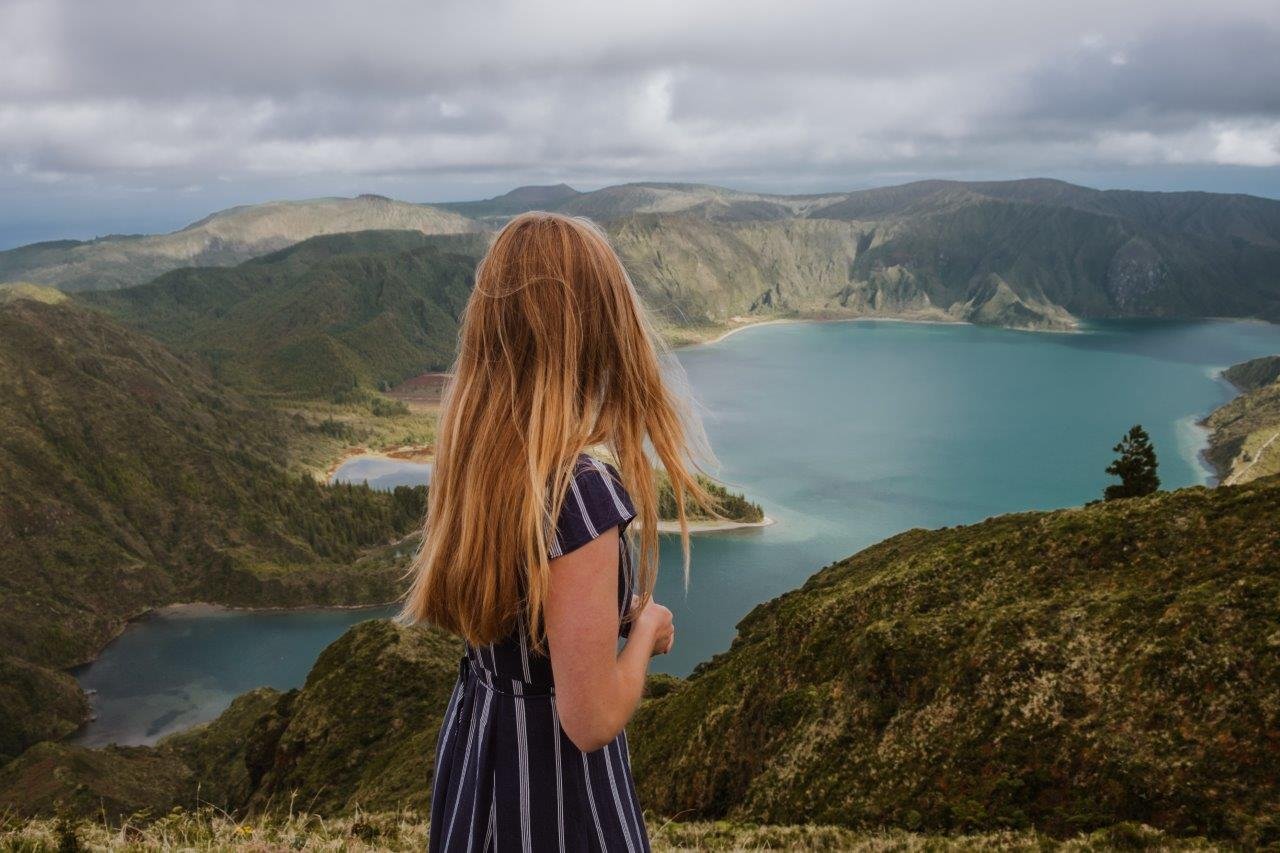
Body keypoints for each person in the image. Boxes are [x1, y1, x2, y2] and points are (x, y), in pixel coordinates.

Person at [401, 211, 715, 852]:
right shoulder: (579, 495)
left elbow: (521, 626)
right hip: (554, 794)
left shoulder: (479, 462)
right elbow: (591, 719)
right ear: (597, 333)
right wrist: (646, 630)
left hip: (479, 755)